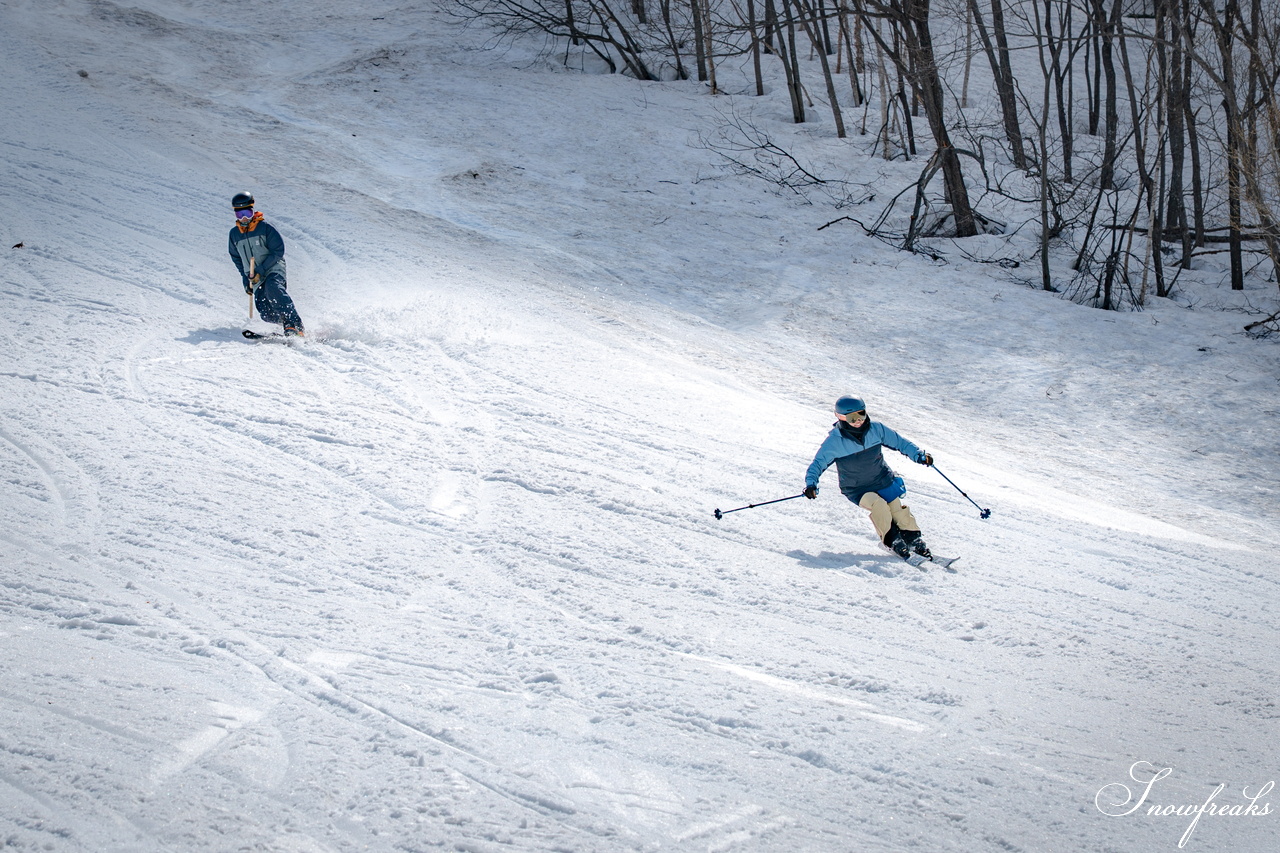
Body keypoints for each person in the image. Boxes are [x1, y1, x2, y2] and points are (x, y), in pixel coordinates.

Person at [803, 396, 935, 560]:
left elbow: (901, 443)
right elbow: (817, 464)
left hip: (883, 480)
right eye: (852, 418)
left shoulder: (876, 429)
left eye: (861, 414)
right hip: (857, 488)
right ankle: (893, 541)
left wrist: (919, 455)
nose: (858, 421)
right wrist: (811, 484)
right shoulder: (835, 442)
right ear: (841, 418)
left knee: (896, 508)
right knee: (878, 505)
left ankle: (914, 540)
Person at [227, 191, 305, 337]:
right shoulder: (234, 235)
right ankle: (286, 325)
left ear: (253, 211)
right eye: (239, 214)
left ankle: (294, 324)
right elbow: (236, 257)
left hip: (272, 268)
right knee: (265, 311)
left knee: (273, 288)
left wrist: (261, 269)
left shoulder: (265, 228)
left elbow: (278, 251)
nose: (244, 218)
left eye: (247, 213)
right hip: (254, 276)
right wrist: (245, 278)